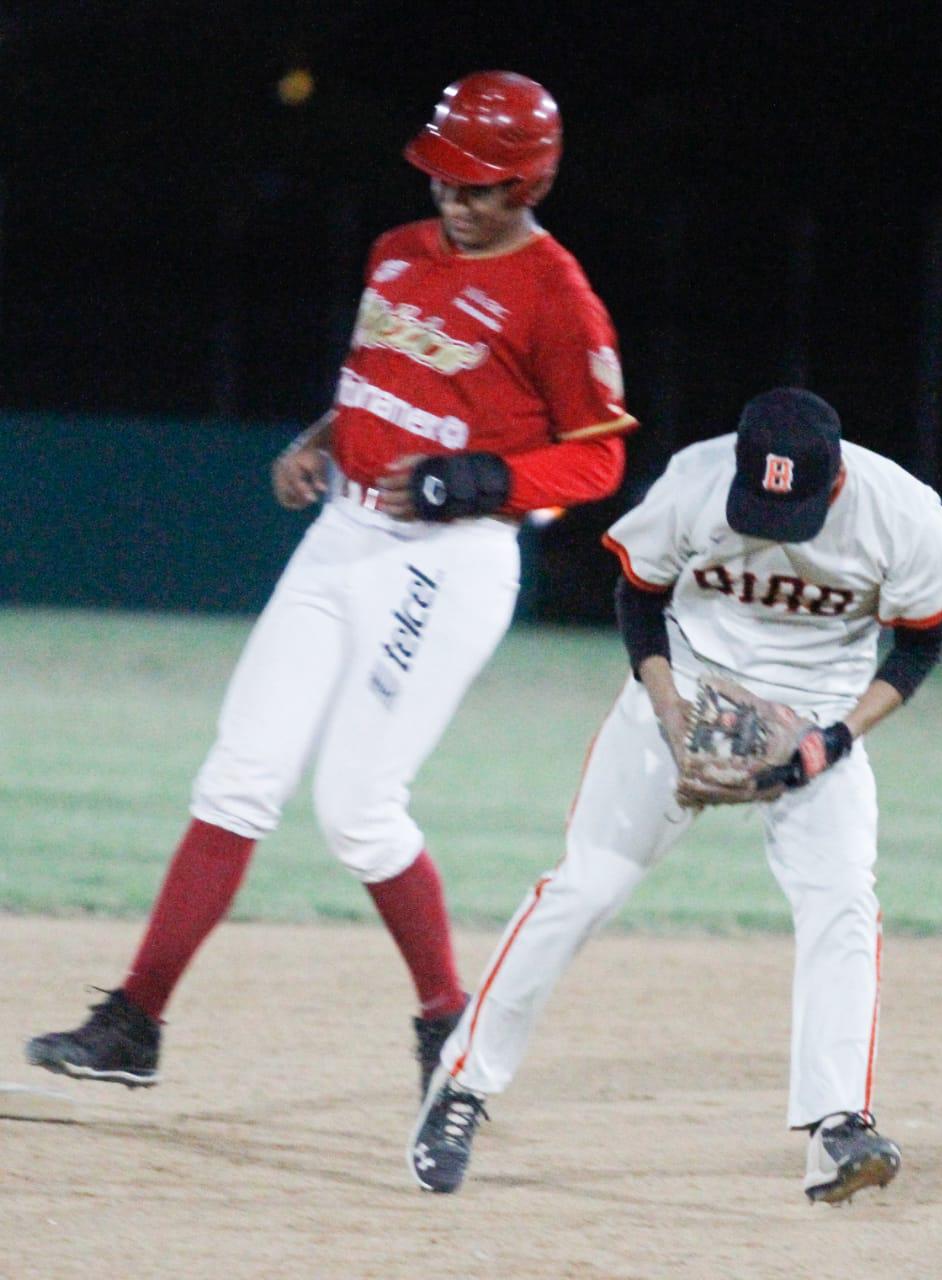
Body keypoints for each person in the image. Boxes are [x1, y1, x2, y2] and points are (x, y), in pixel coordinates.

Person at [25, 71, 637, 1096]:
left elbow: (601, 456)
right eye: (445, 173)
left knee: (357, 805)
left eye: (481, 183)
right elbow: (379, 381)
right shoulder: (395, 251)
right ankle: (135, 1020)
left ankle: (447, 1021)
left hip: (445, 559)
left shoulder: (557, 296)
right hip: (339, 535)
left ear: (530, 183)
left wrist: (489, 478)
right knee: (236, 776)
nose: (456, 195)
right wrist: (318, 438)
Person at [408, 387, 942, 1203]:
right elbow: (640, 594)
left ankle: (837, 1126)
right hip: (687, 691)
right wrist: (668, 714)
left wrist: (830, 743)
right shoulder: (694, 482)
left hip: (819, 715)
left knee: (841, 898)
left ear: (833, 480)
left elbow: (916, 649)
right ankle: (459, 1091)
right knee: (586, 884)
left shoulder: (904, 514)